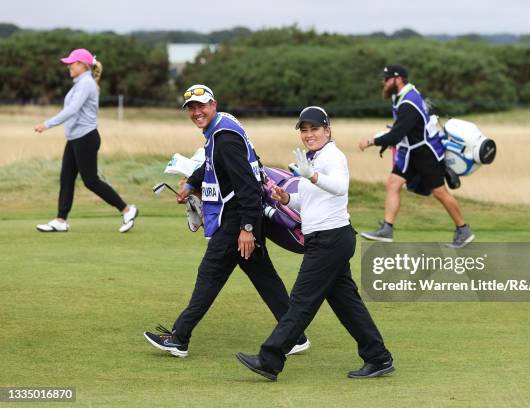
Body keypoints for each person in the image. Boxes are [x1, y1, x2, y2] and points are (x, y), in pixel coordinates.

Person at [143, 84, 309, 358]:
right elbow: (211, 163)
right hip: (243, 215)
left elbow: (249, 188)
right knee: (264, 277)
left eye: (201, 106)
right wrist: (192, 183)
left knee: (209, 274)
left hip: (238, 218)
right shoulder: (222, 126)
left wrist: (246, 229)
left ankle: (179, 337)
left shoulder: (224, 139)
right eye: (191, 108)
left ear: (213, 104)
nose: (197, 112)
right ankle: (296, 336)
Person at [236, 107, 394, 381]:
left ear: (327, 130)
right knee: (347, 304)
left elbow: (340, 186)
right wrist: (286, 198)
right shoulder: (314, 159)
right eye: (304, 130)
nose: (309, 135)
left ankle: (270, 359)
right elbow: (309, 200)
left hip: (330, 239)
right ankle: (378, 357)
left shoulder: (333, 156)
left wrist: (311, 175)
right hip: (327, 239)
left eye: (315, 129)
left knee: (301, 302)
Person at [358, 64, 475, 248]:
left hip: (426, 153)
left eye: (387, 79)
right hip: (412, 152)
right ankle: (387, 230)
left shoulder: (408, 103)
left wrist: (372, 141)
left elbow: (397, 134)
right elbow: (402, 131)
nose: (384, 82)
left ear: (398, 79)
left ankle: (463, 229)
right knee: (394, 182)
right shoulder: (405, 96)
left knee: (440, 192)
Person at [34, 48, 137, 233]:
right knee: (66, 179)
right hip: (75, 139)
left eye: (71, 64)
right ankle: (60, 220)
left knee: (91, 181)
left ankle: (127, 209)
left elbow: (72, 109)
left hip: (85, 138)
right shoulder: (80, 83)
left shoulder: (86, 83)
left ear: (82, 65)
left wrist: (47, 124)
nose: (69, 67)